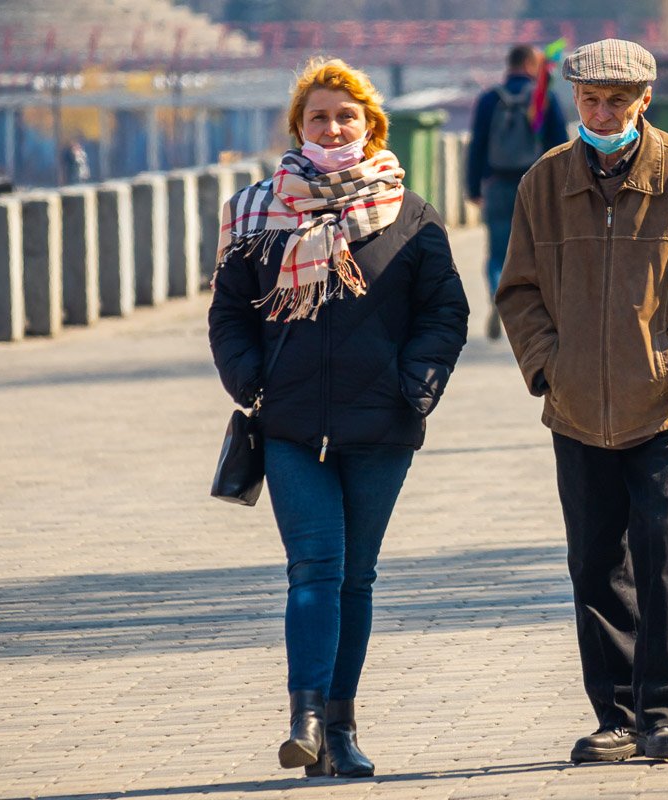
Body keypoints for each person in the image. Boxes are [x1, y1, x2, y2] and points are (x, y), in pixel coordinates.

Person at [208, 58, 468, 778]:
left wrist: (414, 387)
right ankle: (307, 720)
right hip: (290, 426)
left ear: (370, 126)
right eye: (318, 116)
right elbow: (229, 312)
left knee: (356, 577)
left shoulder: (410, 217)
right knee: (314, 569)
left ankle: (341, 729)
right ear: (298, 127)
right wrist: (249, 379)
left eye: (345, 116)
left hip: (381, 427)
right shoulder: (260, 211)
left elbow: (445, 313)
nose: (332, 127)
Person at [496, 39, 668, 764]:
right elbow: (519, 291)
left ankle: (664, 714)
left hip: (667, 405)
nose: (602, 113)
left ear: (646, 99)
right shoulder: (544, 182)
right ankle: (613, 716)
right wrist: (548, 366)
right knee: (593, 559)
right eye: (589, 100)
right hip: (577, 405)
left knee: (662, 550)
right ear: (574, 100)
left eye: (616, 100)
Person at [467, 44, 568, 340]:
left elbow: (477, 146)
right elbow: (559, 146)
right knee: (538, 250)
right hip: (536, 188)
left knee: (498, 253)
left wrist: (474, 187)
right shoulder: (543, 98)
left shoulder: (489, 99)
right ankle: (529, 313)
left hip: (497, 185)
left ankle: (499, 295)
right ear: (529, 64)